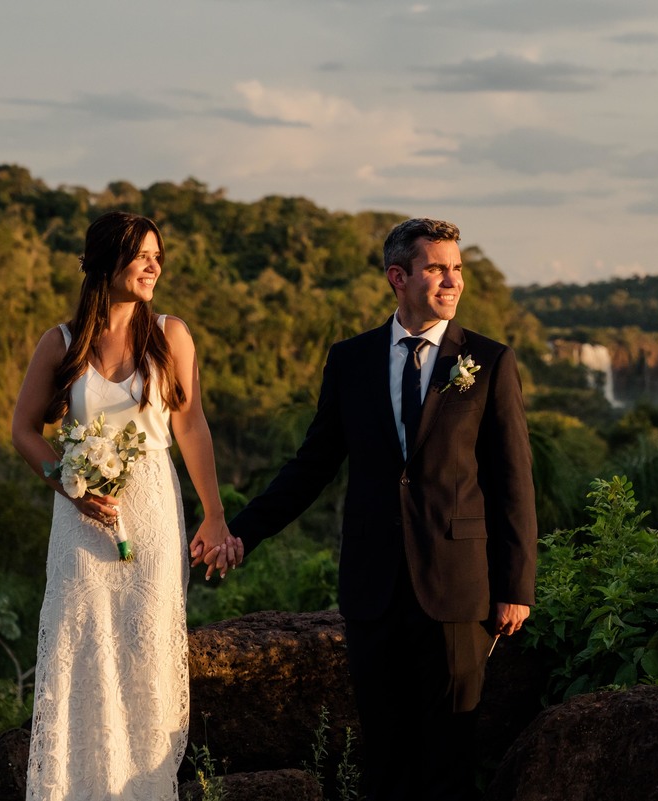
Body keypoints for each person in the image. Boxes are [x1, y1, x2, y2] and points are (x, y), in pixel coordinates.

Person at [228, 217, 538, 801]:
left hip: (457, 587)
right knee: (385, 757)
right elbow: (312, 465)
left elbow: (512, 480)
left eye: (457, 269)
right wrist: (241, 532)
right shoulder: (351, 360)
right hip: (374, 590)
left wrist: (515, 584)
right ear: (398, 277)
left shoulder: (490, 361)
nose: (452, 280)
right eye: (436, 268)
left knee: (450, 756)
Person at [12, 211, 243, 801]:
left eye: (157, 256)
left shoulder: (171, 334)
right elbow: (24, 430)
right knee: (79, 646)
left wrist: (214, 515)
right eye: (140, 254)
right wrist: (66, 483)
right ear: (104, 261)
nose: (152, 266)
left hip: (154, 515)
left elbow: (190, 425)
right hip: (79, 522)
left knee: (145, 652)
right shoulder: (61, 342)